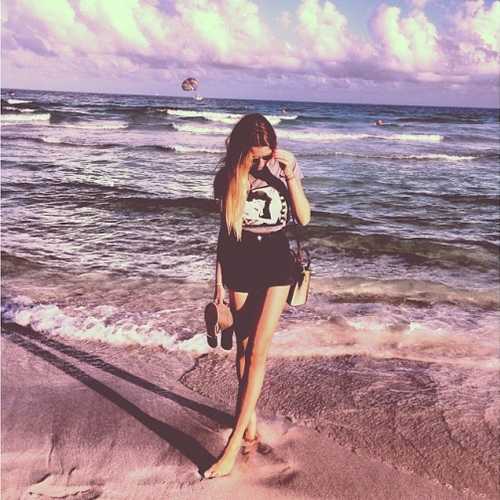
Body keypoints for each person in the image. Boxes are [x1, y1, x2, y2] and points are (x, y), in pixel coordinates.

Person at [204, 113, 311, 479]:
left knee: (258, 353)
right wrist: (218, 284)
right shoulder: (227, 177)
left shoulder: (282, 169)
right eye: (254, 156)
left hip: (277, 262)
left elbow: (304, 217)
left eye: (267, 155)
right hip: (240, 261)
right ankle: (248, 423)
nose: (261, 162)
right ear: (240, 152)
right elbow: (224, 235)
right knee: (243, 348)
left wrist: (291, 174)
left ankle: (233, 447)